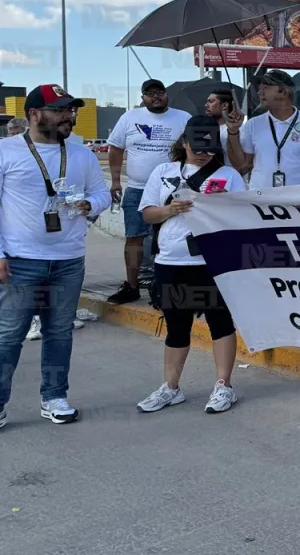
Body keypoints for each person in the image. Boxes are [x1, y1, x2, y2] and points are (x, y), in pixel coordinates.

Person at [0, 84, 110, 428]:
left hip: (68, 259)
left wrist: (90, 204)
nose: (68, 116)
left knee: (59, 332)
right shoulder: (6, 151)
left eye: (70, 110)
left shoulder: (82, 154)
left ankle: (54, 396)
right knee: (9, 335)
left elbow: (102, 192)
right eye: (59, 110)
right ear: (34, 114)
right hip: (19, 259)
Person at [136, 116, 247, 415]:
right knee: (177, 326)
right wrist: (170, 209)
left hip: (211, 261)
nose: (203, 154)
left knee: (219, 322)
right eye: (197, 147)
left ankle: (224, 385)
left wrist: (225, 203)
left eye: (209, 149)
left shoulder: (229, 175)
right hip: (171, 259)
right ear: (184, 143)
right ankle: (171, 387)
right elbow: (147, 214)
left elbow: (242, 218)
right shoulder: (163, 171)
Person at [106, 80, 193, 305]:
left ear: (167, 95)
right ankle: (132, 286)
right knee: (134, 238)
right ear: (142, 97)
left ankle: (168, 287)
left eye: (160, 92)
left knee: (172, 237)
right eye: (150, 94)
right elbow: (116, 149)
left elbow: (192, 149)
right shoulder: (129, 117)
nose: (156, 97)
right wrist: (116, 181)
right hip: (136, 189)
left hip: (173, 190)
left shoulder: (183, 117)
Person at [225, 69, 300, 189]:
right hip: (261, 201)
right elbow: (242, 166)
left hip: (299, 202)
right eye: (260, 88)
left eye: (265, 88)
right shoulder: (252, 124)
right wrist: (233, 132)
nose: (260, 92)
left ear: (283, 92)